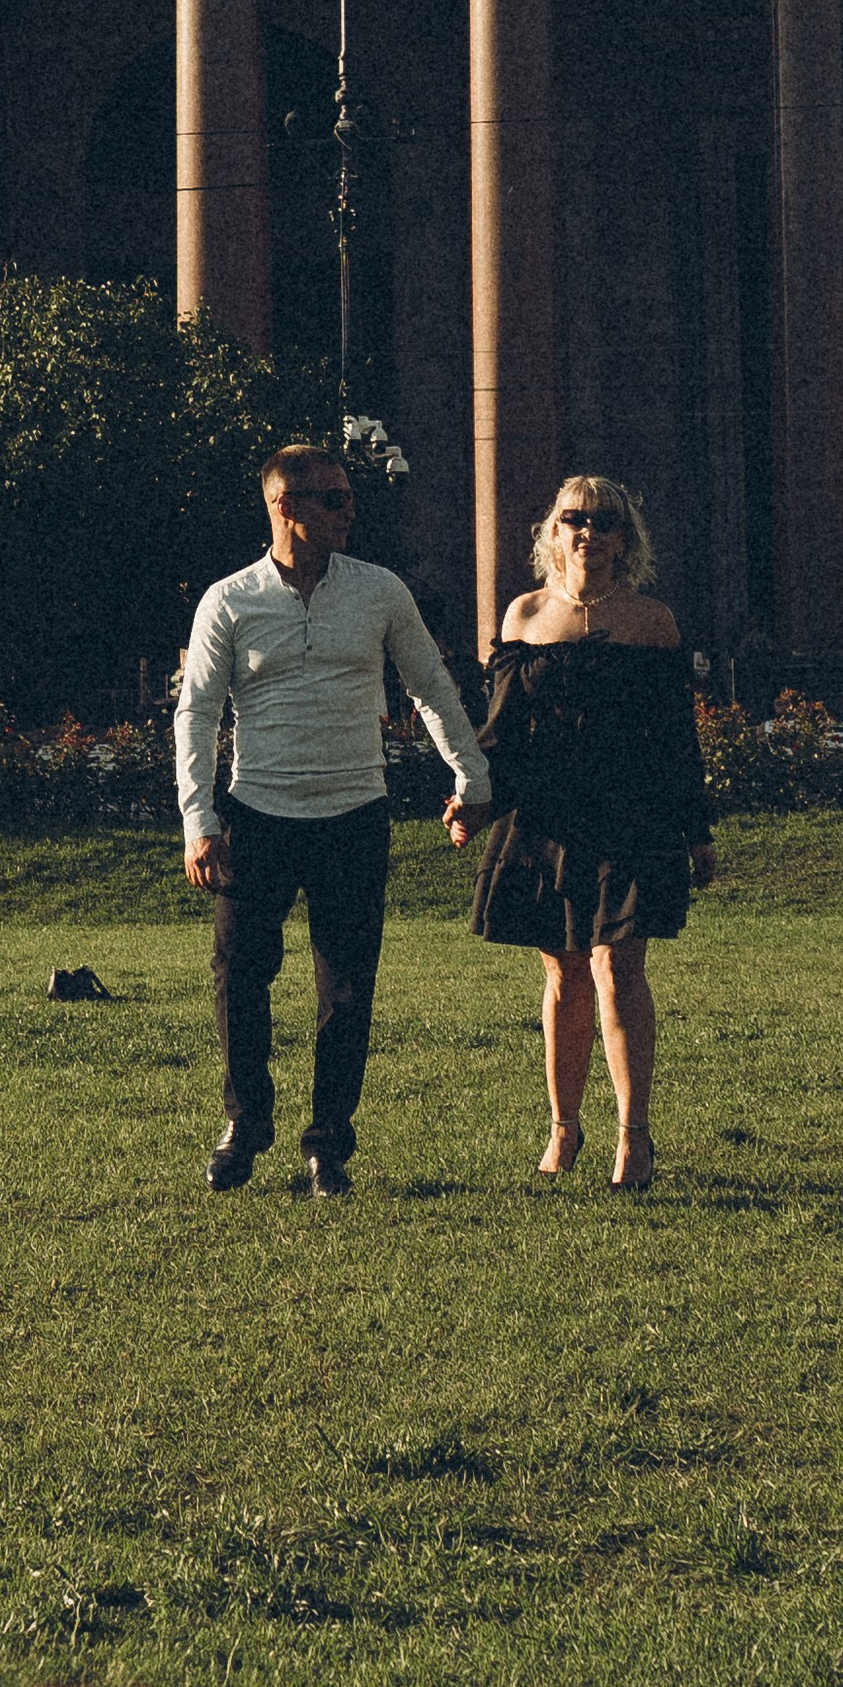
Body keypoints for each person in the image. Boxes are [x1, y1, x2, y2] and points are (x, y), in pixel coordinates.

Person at [177, 441, 489, 1199]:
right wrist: (198, 820)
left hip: (354, 815)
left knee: (346, 987)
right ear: (285, 506)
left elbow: (431, 686)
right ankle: (246, 1124)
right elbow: (197, 713)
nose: (350, 510)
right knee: (240, 976)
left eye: (349, 496)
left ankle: (328, 1146)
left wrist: (472, 777)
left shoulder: (380, 591)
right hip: (257, 816)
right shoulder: (230, 599)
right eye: (333, 498)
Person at [462, 475, 715, 1194]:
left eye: (605, 522)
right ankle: (563, 1129)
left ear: (625, 539)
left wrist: (697, 832)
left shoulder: (652, 622)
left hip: (634, 816)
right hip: (547, 819)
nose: (589, 533)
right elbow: (501, 731)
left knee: (618, 968)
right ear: (553, 532)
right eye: (574, 519)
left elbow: (677, 741)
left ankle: (634, 1137)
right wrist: (472, 799)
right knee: (564, 972)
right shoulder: (524, 615)